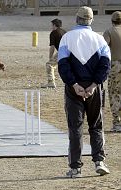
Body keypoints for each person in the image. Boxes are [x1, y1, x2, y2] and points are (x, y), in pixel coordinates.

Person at [58, 6, 111, 178]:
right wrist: (94, 84)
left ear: (77, 18)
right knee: (96, 125)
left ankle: (75, 168)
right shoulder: (100, 40)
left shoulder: (66, 38)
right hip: (94, 88)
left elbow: (63, 65)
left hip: (73, 88)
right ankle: (99, 161)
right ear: (91, 20)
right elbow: (105, 65)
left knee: (75, 127)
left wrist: (74, 85)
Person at [103, 11, 121, 132]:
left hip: (115, 65)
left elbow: (103, 48)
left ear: (112, 20)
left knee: (115, 94)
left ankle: (117, 123)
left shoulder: (109, 31)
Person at [41, 18, 66, 88]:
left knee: (49, 65)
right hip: (71, 51)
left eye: (51, 25)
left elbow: (52, 47)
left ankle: (51, 82)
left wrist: (50, 58)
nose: (51, 27)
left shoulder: (53, 33)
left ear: (54, 25)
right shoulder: (64, 31)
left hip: (62, 51)